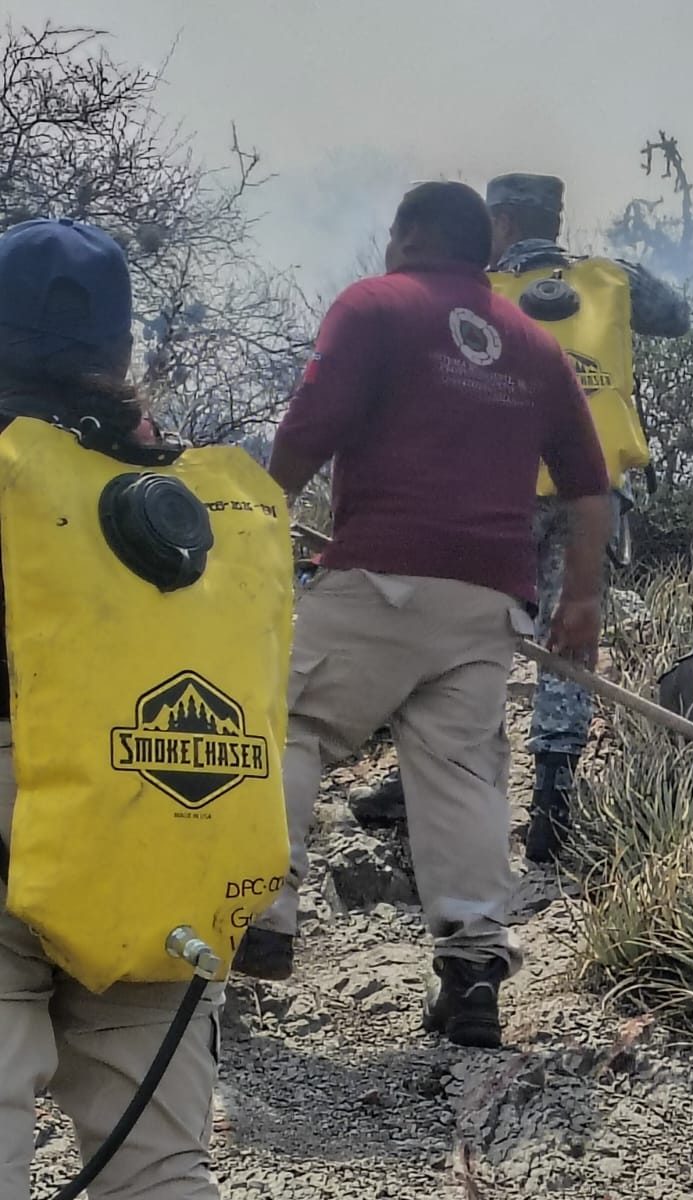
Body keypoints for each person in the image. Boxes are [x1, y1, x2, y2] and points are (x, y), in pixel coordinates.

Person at [233, 182, 612, 1050]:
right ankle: (474, 973)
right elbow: (591, 488)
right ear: (481, 251)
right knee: (465, 776)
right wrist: (582, 601)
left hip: (382, 574)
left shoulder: (374, 306)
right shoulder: (533, 344)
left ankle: (262, 914)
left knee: (286, 724)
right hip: (489, 600)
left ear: (403, 237)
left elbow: (308, 427)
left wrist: (254, 520)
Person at [0, 218, 291, 1198]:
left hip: (14, 824)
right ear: (121, 351)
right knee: (158, 1166)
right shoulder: (191, 502)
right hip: (164, 826)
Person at [485, 172, 689, 862]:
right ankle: (553, 806)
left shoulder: (476, 289)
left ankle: (429, 782)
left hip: (500, 485)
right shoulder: (611, 279)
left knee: (472, 634)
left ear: (505, 222)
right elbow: (678, 314)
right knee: (570, 640)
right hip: (592, 491)